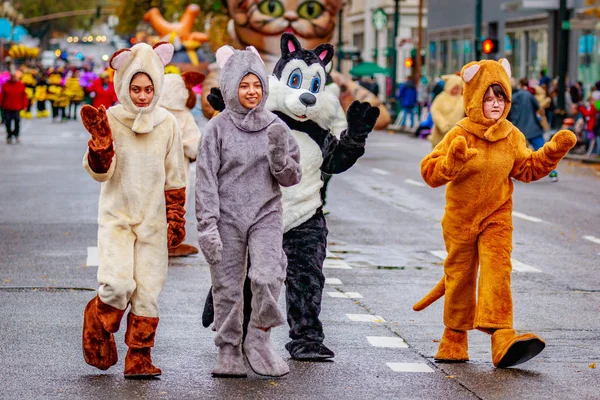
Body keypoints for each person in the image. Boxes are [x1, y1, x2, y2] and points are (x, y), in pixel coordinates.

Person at [414, 59, 576, 368]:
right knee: (460, 277)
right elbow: (430, 171)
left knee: (497, 272)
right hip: (460, 219)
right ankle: (454, 337)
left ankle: (502, 337)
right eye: (488, 98)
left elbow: (526, 168)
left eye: (500, 97)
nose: (495, 104)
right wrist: (452, 162)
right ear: (474, 98)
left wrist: (552, 152)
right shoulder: (460, 132)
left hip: (497, 216)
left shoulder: (512, 135)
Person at [81, 42, 187, 379]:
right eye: (135, 88)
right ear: (123, 85)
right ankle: (96, 321)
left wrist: (175, 216)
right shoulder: (109, 118)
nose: (142, 95)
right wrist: (100, 144)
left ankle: (139, 357)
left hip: (153, 224)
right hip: (117, 219)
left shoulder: (167, 123)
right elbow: (99, 173)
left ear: (157, 87)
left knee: (148, 292)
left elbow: (176, 174)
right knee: (117, 285)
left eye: (149, 88)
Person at [196, 45, 301, 378]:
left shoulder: (277, 126)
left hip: (265, 214)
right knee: (226, 286)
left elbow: (291, 177)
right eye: (244, 85)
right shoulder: (217, 128)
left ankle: (259, 340)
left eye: (256, 85)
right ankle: (229, 350)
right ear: (231, 87)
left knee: (268, 275)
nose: (251, 91)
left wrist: (280, 160)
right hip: (227, 216)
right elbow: (205, 179)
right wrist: (207, 225)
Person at [158, 71, 205, 257]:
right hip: (177, 171)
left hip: (152, 169)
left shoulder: (154, 113)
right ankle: (171, 242)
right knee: (176, 205)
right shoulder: (183, 117)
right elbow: (195, 146)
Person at [508, 77, 559, 182]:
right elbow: (537, 106)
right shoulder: (528, 95)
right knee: (543, 151)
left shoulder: (511, 98)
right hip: (532, 127)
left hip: (518, 129)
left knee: (514, 153)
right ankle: (553, 173)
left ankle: (512, 173)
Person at [429, 74, 464, 148]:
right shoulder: (441, 98)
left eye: (458, 88)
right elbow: (435, 111)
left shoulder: (462, 100)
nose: (455, 91)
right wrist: (442, 124)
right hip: (440, 133)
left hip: (456, 134)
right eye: (454, 88)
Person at [0, 72, 28, 144]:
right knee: (8, 122)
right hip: (7, 107)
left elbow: (24, 96)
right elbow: (2, 96)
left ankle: (16, 134)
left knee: (17, 122)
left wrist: (24, 105)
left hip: (17, 107)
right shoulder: (5, 85)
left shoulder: (20, 85)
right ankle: (9, 135)